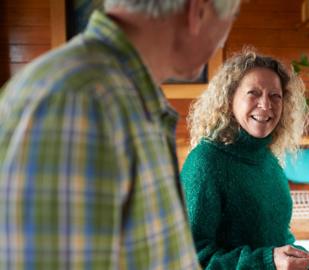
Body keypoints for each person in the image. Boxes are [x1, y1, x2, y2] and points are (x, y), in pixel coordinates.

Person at [0, 0, 240, 269]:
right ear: (198, 12)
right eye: (232, 16)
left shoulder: (126, 95)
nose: (222, 40)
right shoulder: (80, 100)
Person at [181, 50, 309, 270]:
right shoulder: (205, 163)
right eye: (253, 93)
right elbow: (191, 258)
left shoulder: (267, 158)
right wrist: (268, 261)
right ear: (230, 100)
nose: (266, 105)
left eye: (275, 96)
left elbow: (280, 241)